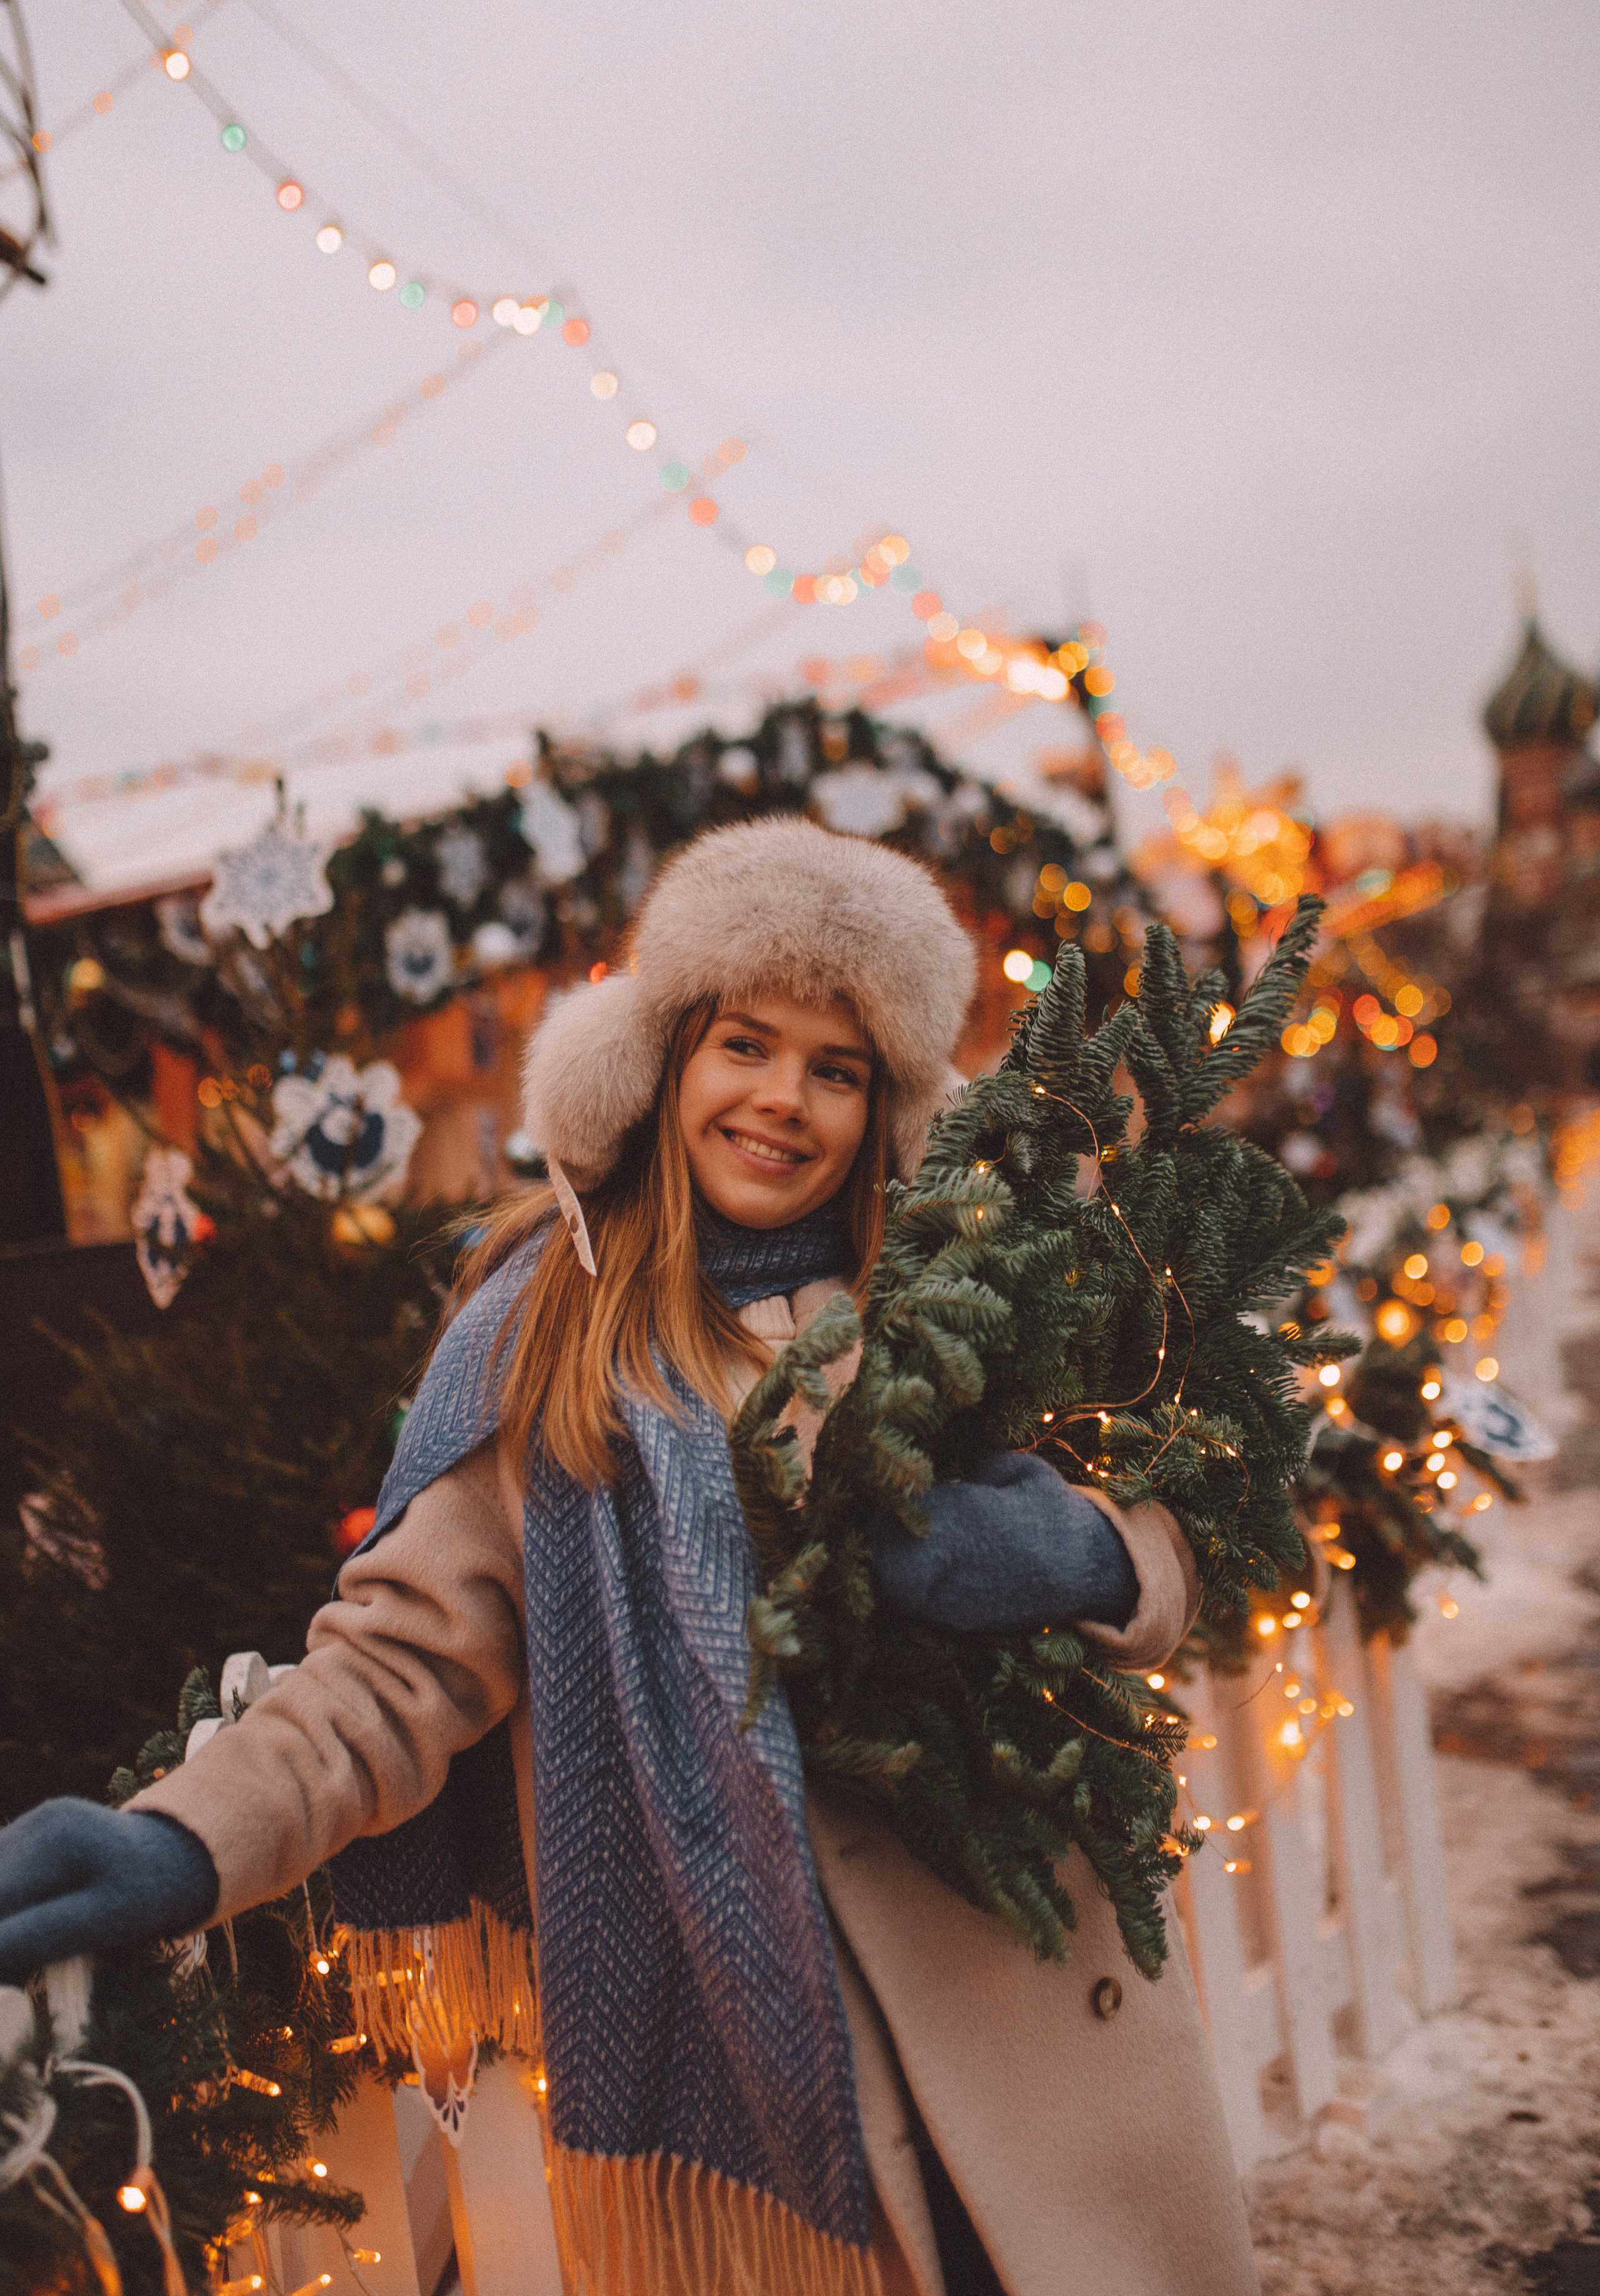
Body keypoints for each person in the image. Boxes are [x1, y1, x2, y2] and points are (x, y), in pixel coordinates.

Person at [0, 817, 1260, 2295]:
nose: (781, 1100)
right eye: (747, 1042)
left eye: (836, 1067)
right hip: (768, 2061)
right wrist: (179, 1837)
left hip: (1026, 1989)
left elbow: (1198, 1512)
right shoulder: (548, 1341)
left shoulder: (958, 1283)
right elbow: (392, 1675)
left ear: (884, 1106)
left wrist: (1084, 1554)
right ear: (663, 1057)